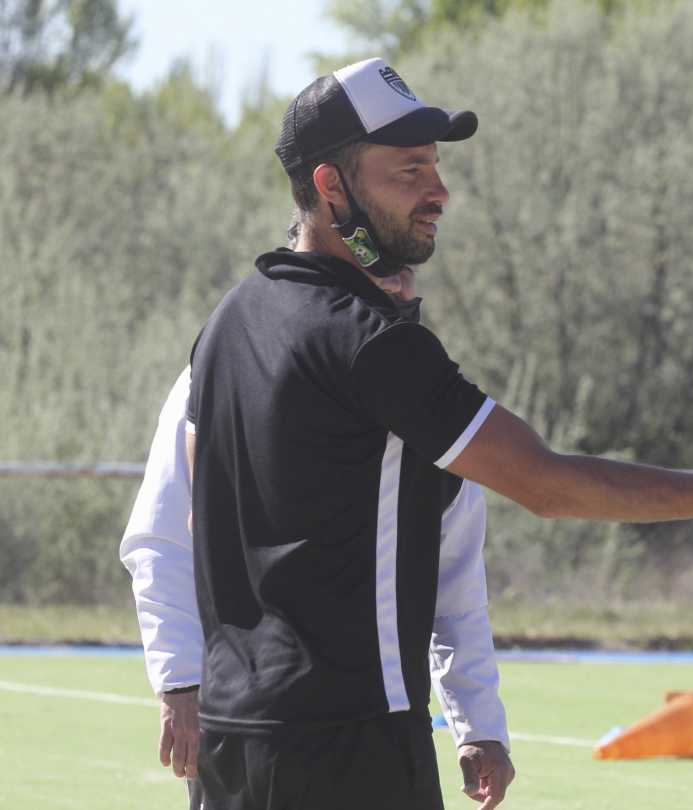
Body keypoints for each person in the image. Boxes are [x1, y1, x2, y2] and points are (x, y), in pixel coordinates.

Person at [184, 56, 693, 810]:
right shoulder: (371, 341)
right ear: (330, 185)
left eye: (436, 165)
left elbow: (199, 519)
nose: (439, 190)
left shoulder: (228, 322)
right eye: (409, 170)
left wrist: (472, 714)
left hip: (229, 745)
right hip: (346, 746)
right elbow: (547, 485)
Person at [121, 261, 511, 808]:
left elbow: (456, 585)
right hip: (243, 726)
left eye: (404, 269)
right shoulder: (219, 365)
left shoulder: (433, 398)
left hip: (380, 731)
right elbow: (161, 539)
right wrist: (180, 680)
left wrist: (479, 725)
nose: (395, 283)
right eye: (376, 267)